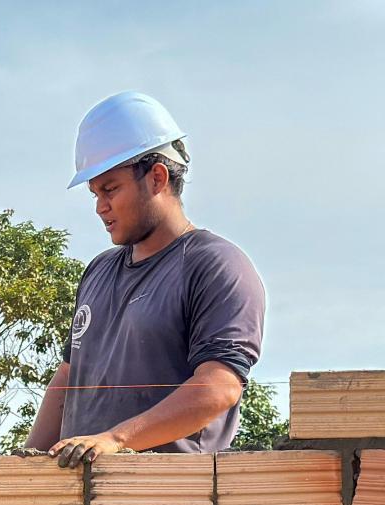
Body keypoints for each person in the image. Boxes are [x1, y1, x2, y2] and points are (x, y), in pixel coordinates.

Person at [26, 91, 266, 466]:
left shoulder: (214, 265)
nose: (99, 206)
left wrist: (116, 439)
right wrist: (29, 461)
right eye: (94, 193)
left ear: (157, 177)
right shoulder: (98, 272)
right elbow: (69, 378)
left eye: (110, 189)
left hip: (171, 502)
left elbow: (219, 386)